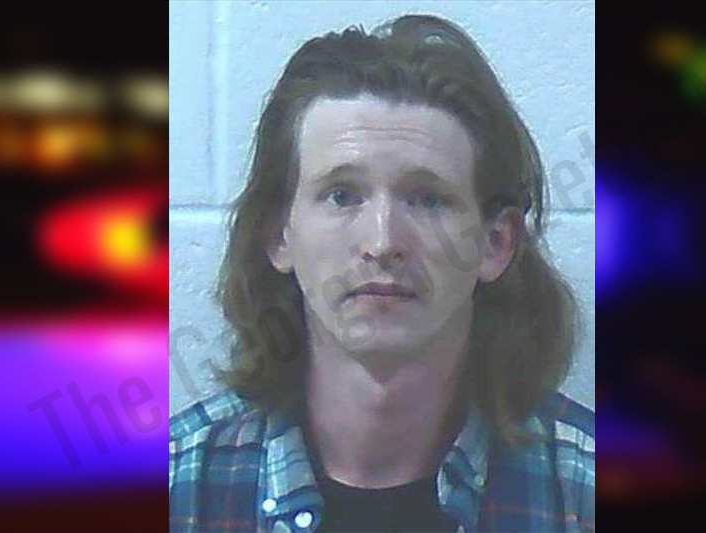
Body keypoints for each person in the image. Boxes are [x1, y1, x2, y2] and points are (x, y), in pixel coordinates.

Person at [169, 14, 594, 532]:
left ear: (495, 243)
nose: (382, 242)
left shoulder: (584, 489)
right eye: (342, 195)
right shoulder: (179, 486)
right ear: (278, 234)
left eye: (428, 199)